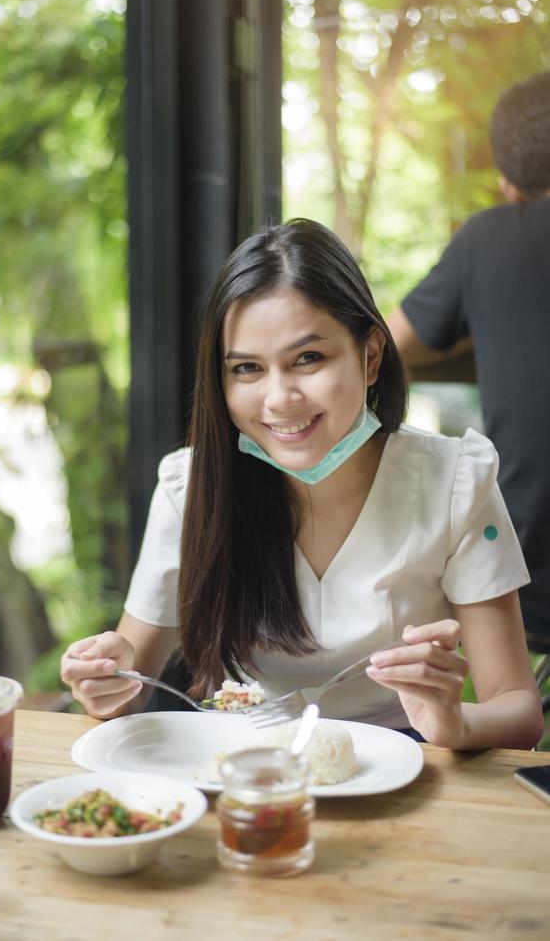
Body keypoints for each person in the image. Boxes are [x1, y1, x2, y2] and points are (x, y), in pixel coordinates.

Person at [61, 218, 543, 750]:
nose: (279, 397)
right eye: (247, 369)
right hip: (241, 769)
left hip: (406, 764)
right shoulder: (191, 488)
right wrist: (105, 680)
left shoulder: (456, 482)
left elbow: (518, 709)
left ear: (371, 356)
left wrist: (454, 723)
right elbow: (126, 683)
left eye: (308, 358)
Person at [388, 70, 550, 653]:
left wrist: (482, 320)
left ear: (507, 182)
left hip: (526, 575)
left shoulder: (485, 240)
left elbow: (380, 347)